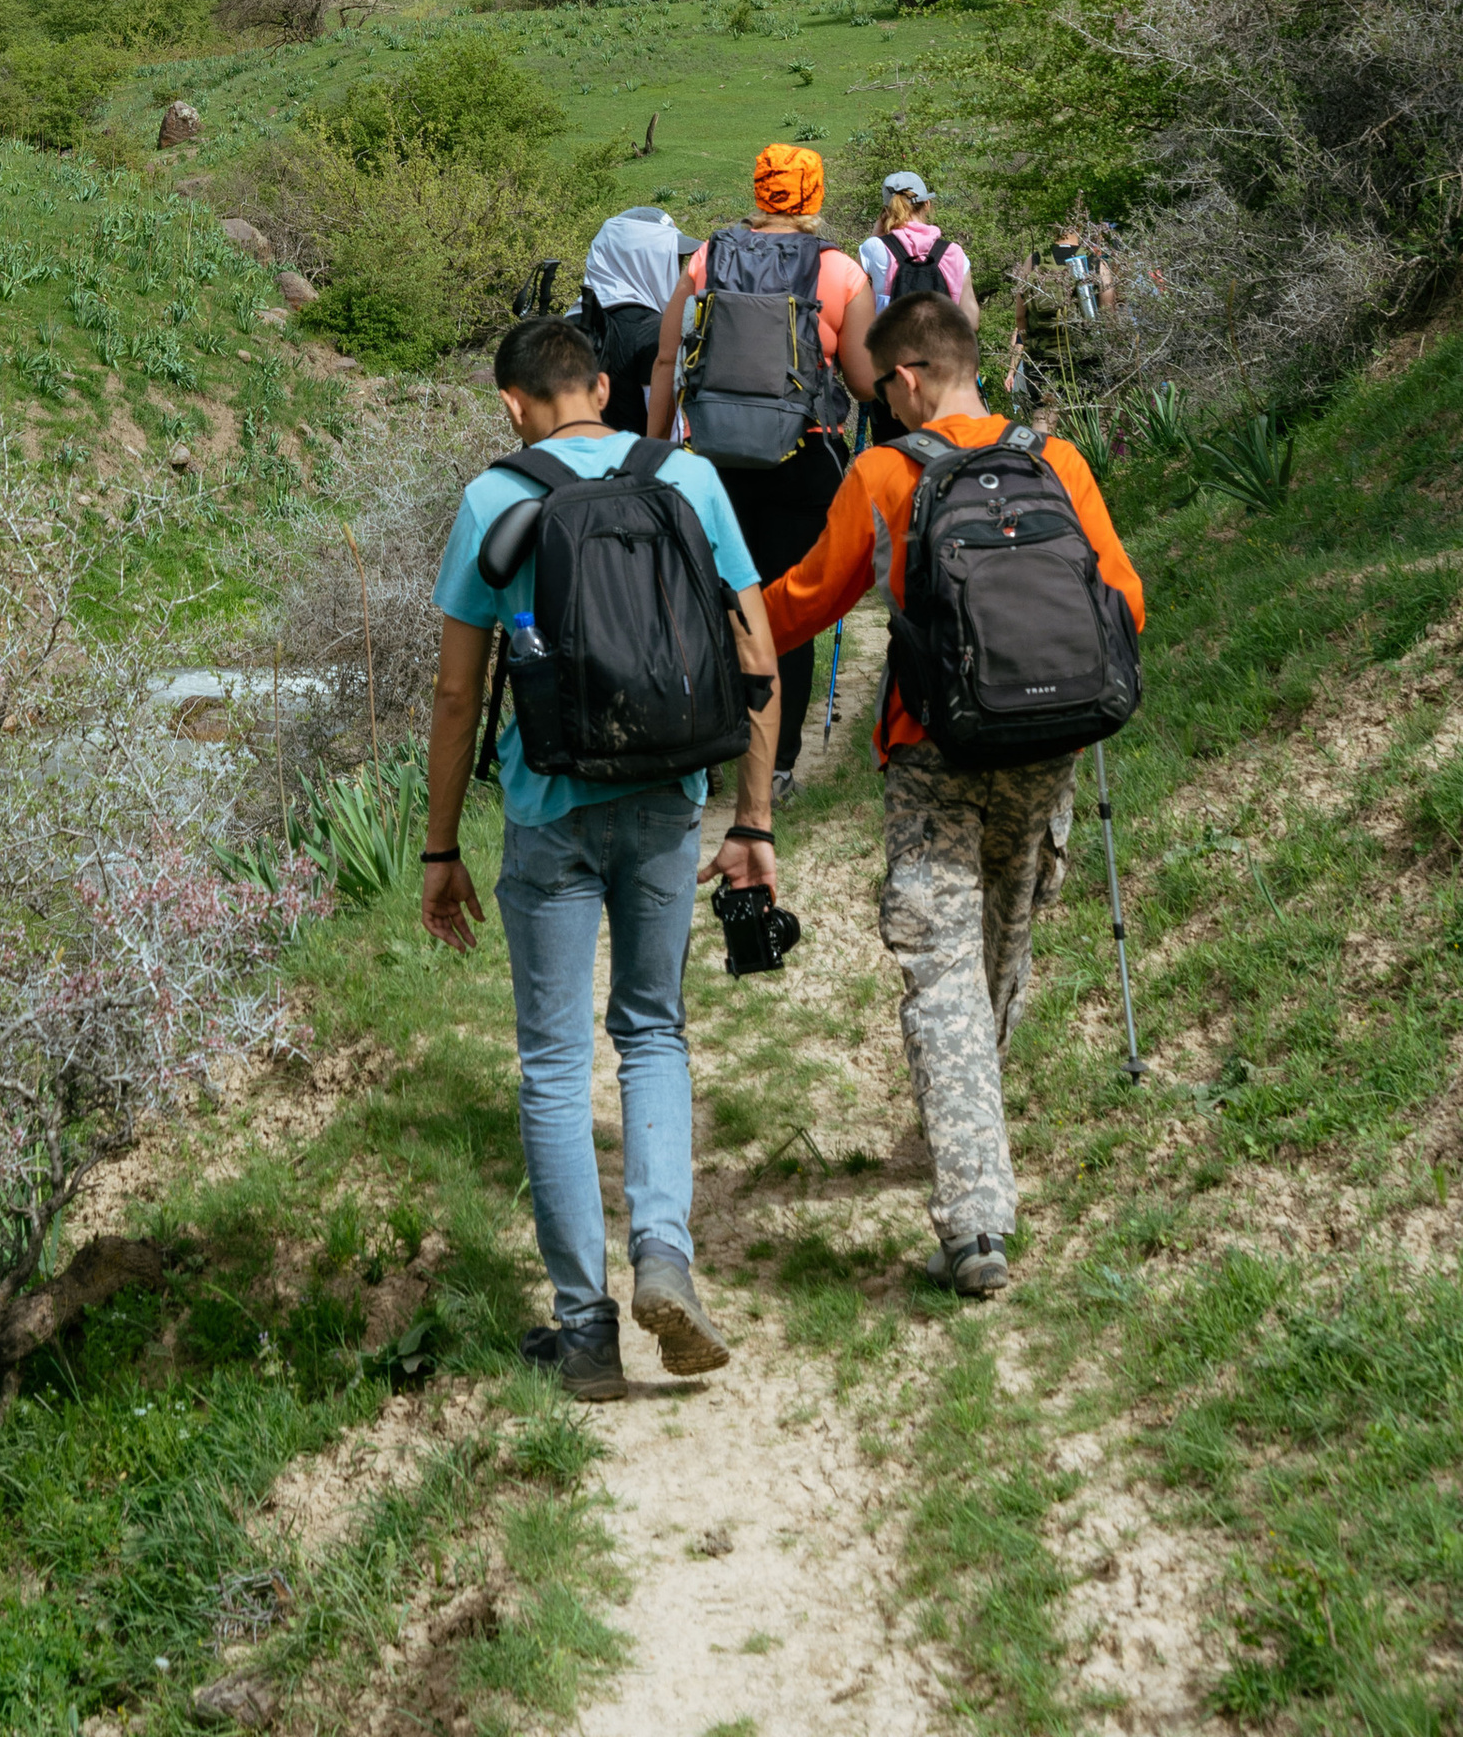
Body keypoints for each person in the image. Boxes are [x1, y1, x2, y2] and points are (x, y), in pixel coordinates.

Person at [422, 313, 781, 1401]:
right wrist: (752, 820)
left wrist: (439, 847)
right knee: (653, 1032)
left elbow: (453, 693)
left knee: (552, 1063)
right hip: (669, 798)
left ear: (512, 403)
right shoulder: (686, 478)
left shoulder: (495, 497)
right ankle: (663, 1255)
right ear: (605, 393)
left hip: (550, 809)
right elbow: (754, 650)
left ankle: (584, 1333)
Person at [759, 291, 1146, 1296]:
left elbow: (805, 600)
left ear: (908, 377)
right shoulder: (1053, 459)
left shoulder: (886, 472)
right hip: (1045, 741)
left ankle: (975, 1219)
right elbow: (1125, 600)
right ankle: (970, 1133)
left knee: (938, 968)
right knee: (997, 951)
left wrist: (718, 626)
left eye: (880, 388)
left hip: (931, 753)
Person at [646, 145, 875, 798]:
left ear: (758, 191)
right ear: (814, 197)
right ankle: (775, 767)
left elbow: (667, 360)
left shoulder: (706, 258)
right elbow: (862, 381)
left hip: (712, 461)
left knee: (712, 605)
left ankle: (710, 751)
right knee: (789, 614)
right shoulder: (838, 271)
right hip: (803, 463)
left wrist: (653, 449)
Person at [857, 175, 978, 438]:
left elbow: (860, 314)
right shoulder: (954, 253)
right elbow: (971, 319)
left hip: (893, 380)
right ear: (927, 206)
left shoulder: (873, 249)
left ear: (886, 209)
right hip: (946, 378)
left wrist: (877, 235)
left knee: (896, 458)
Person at [579, 197, 692, 432]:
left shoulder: (568, 324)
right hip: (634, 466)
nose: (680, 273)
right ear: (645, 263)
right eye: (674, 261)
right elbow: (667, 439)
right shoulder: (654, 333)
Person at [1008, 222, 1117, 411]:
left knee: (1044, 416)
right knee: (1087, 418)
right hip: (1084, 359)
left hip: (1042, 359)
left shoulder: (1034, 261)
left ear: (1052, 230)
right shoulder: (1096, 263)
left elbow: (1020, 316)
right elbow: (1109, 317)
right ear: (1080, 227)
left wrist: (1031, 346)